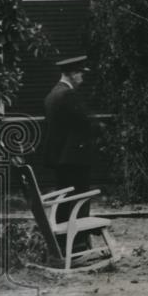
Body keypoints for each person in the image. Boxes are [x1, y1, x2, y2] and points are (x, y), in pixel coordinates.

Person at [41, 55, 95, 227]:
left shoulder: (51, 95)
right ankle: (79, 243)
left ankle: (64, 241)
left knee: (64, 199)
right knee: (80, 199)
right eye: (81, 73)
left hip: (60, 158)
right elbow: (85, 121)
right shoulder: (68, 94)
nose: (82, 77)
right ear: (72, 73)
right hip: (75, 158)